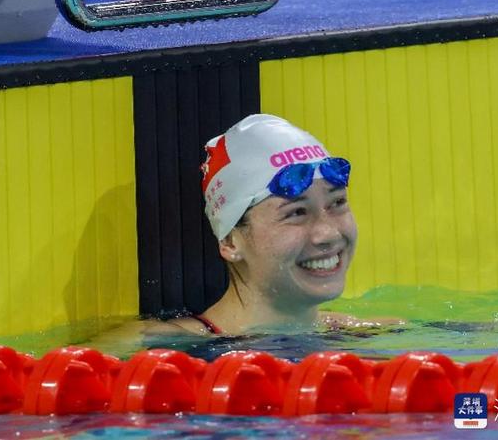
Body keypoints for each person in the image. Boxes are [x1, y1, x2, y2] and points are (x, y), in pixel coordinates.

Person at [148, 114, 358, 335]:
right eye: (297, 212)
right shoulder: (163, 343)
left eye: (337, 202)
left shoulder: (366, 332)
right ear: (230, 241)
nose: (329, 233)